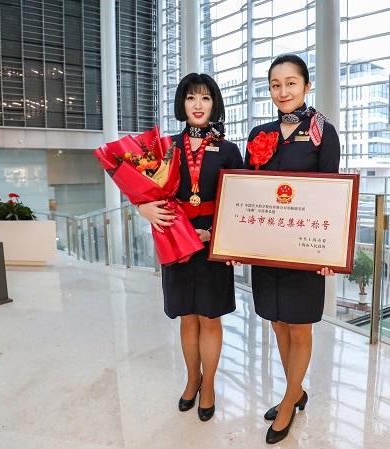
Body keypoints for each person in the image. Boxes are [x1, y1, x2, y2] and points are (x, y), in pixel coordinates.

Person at [243, 54, 340, 444]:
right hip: (267, 247)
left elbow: (332, 195)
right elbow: (247, 192)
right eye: (275, 84)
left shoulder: (322, 132)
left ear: (306, 86)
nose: (283, 91)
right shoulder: (259, 134)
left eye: (291, 83)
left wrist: (329, 252)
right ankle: (295, 391)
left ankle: (288, 403)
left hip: (304, 247)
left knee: (299, 326)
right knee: (277, 322)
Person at [137, 73, 243, 422]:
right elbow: (145, 188)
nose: (198, 105)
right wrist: (142, 208)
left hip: (213, 244)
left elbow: (240, 202)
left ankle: (208, 385)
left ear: (215, 104)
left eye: (205, 98)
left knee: (210, 317)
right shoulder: (165, 147)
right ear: (181, 104)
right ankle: (191, 379)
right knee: (187, 317)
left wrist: (214, 235)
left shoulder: (228, 150)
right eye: (191, 98)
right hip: (176, 242)